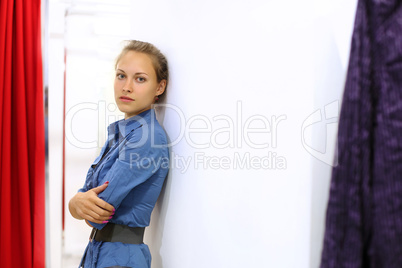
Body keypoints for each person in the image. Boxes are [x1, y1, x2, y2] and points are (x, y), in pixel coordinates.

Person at [68, 40, 170, 268]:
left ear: (159, 88)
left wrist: (76, 203)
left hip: (121, 259)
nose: (127, 87)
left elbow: (98, 211)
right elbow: (85, 197)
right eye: (121, 75)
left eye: (140, 79)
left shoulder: (148, 138)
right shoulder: (120, 133)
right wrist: (75, 202)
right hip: (98, 252)